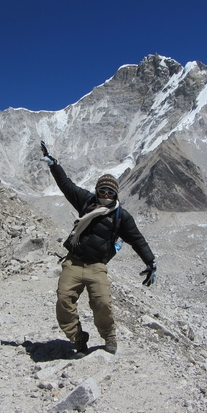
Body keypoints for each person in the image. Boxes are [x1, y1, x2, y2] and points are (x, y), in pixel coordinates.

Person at [40, 141, 157, 357]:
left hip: (97, 267)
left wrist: (150, 261)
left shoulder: (122, 217)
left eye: (110, 192)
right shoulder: (86, 201)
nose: (106, 195)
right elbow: (66, 184)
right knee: (63, 300)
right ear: (97, 190)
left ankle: (109, 336)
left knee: (102, 302)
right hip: (73, 262)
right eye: (103, 190)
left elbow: (137, 240)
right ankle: (78, 338)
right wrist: (54, 165)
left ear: (116, 195)